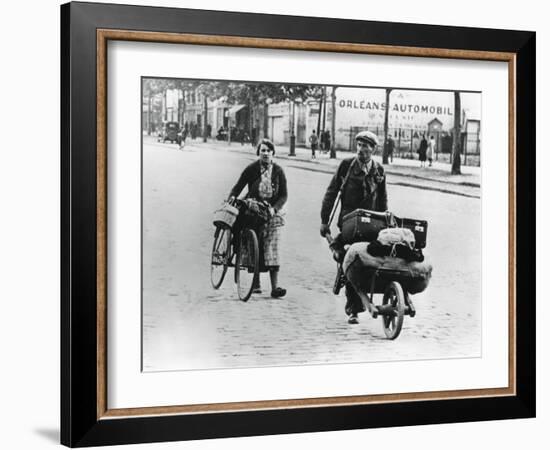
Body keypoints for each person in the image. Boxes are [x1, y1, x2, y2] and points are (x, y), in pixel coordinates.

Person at [320, 130, 388, 324]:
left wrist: (384, 223)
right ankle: (353, 309)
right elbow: (332, 192)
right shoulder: (346, 166)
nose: (361, 150)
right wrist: (325, 220)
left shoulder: (379, 170)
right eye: (359, 145)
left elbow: (382, 200)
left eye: (365, 146)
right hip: (349, 223)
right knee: (352, 258)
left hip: (372, 224)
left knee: (375, 257)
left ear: (373, 149)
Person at [228, 139, 288, 298]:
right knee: (255, 245)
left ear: (273, 153)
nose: (266, 153)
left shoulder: (278, 171)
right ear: (258, 153)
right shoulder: (252, 169)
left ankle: (275, 287)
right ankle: (256, 283)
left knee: (272, 248)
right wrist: (232, 198)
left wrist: (274, 209)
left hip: (272, 213)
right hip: (254, 210)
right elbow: (239, 186)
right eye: (263, 150)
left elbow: (283, 195)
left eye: (269, 150)